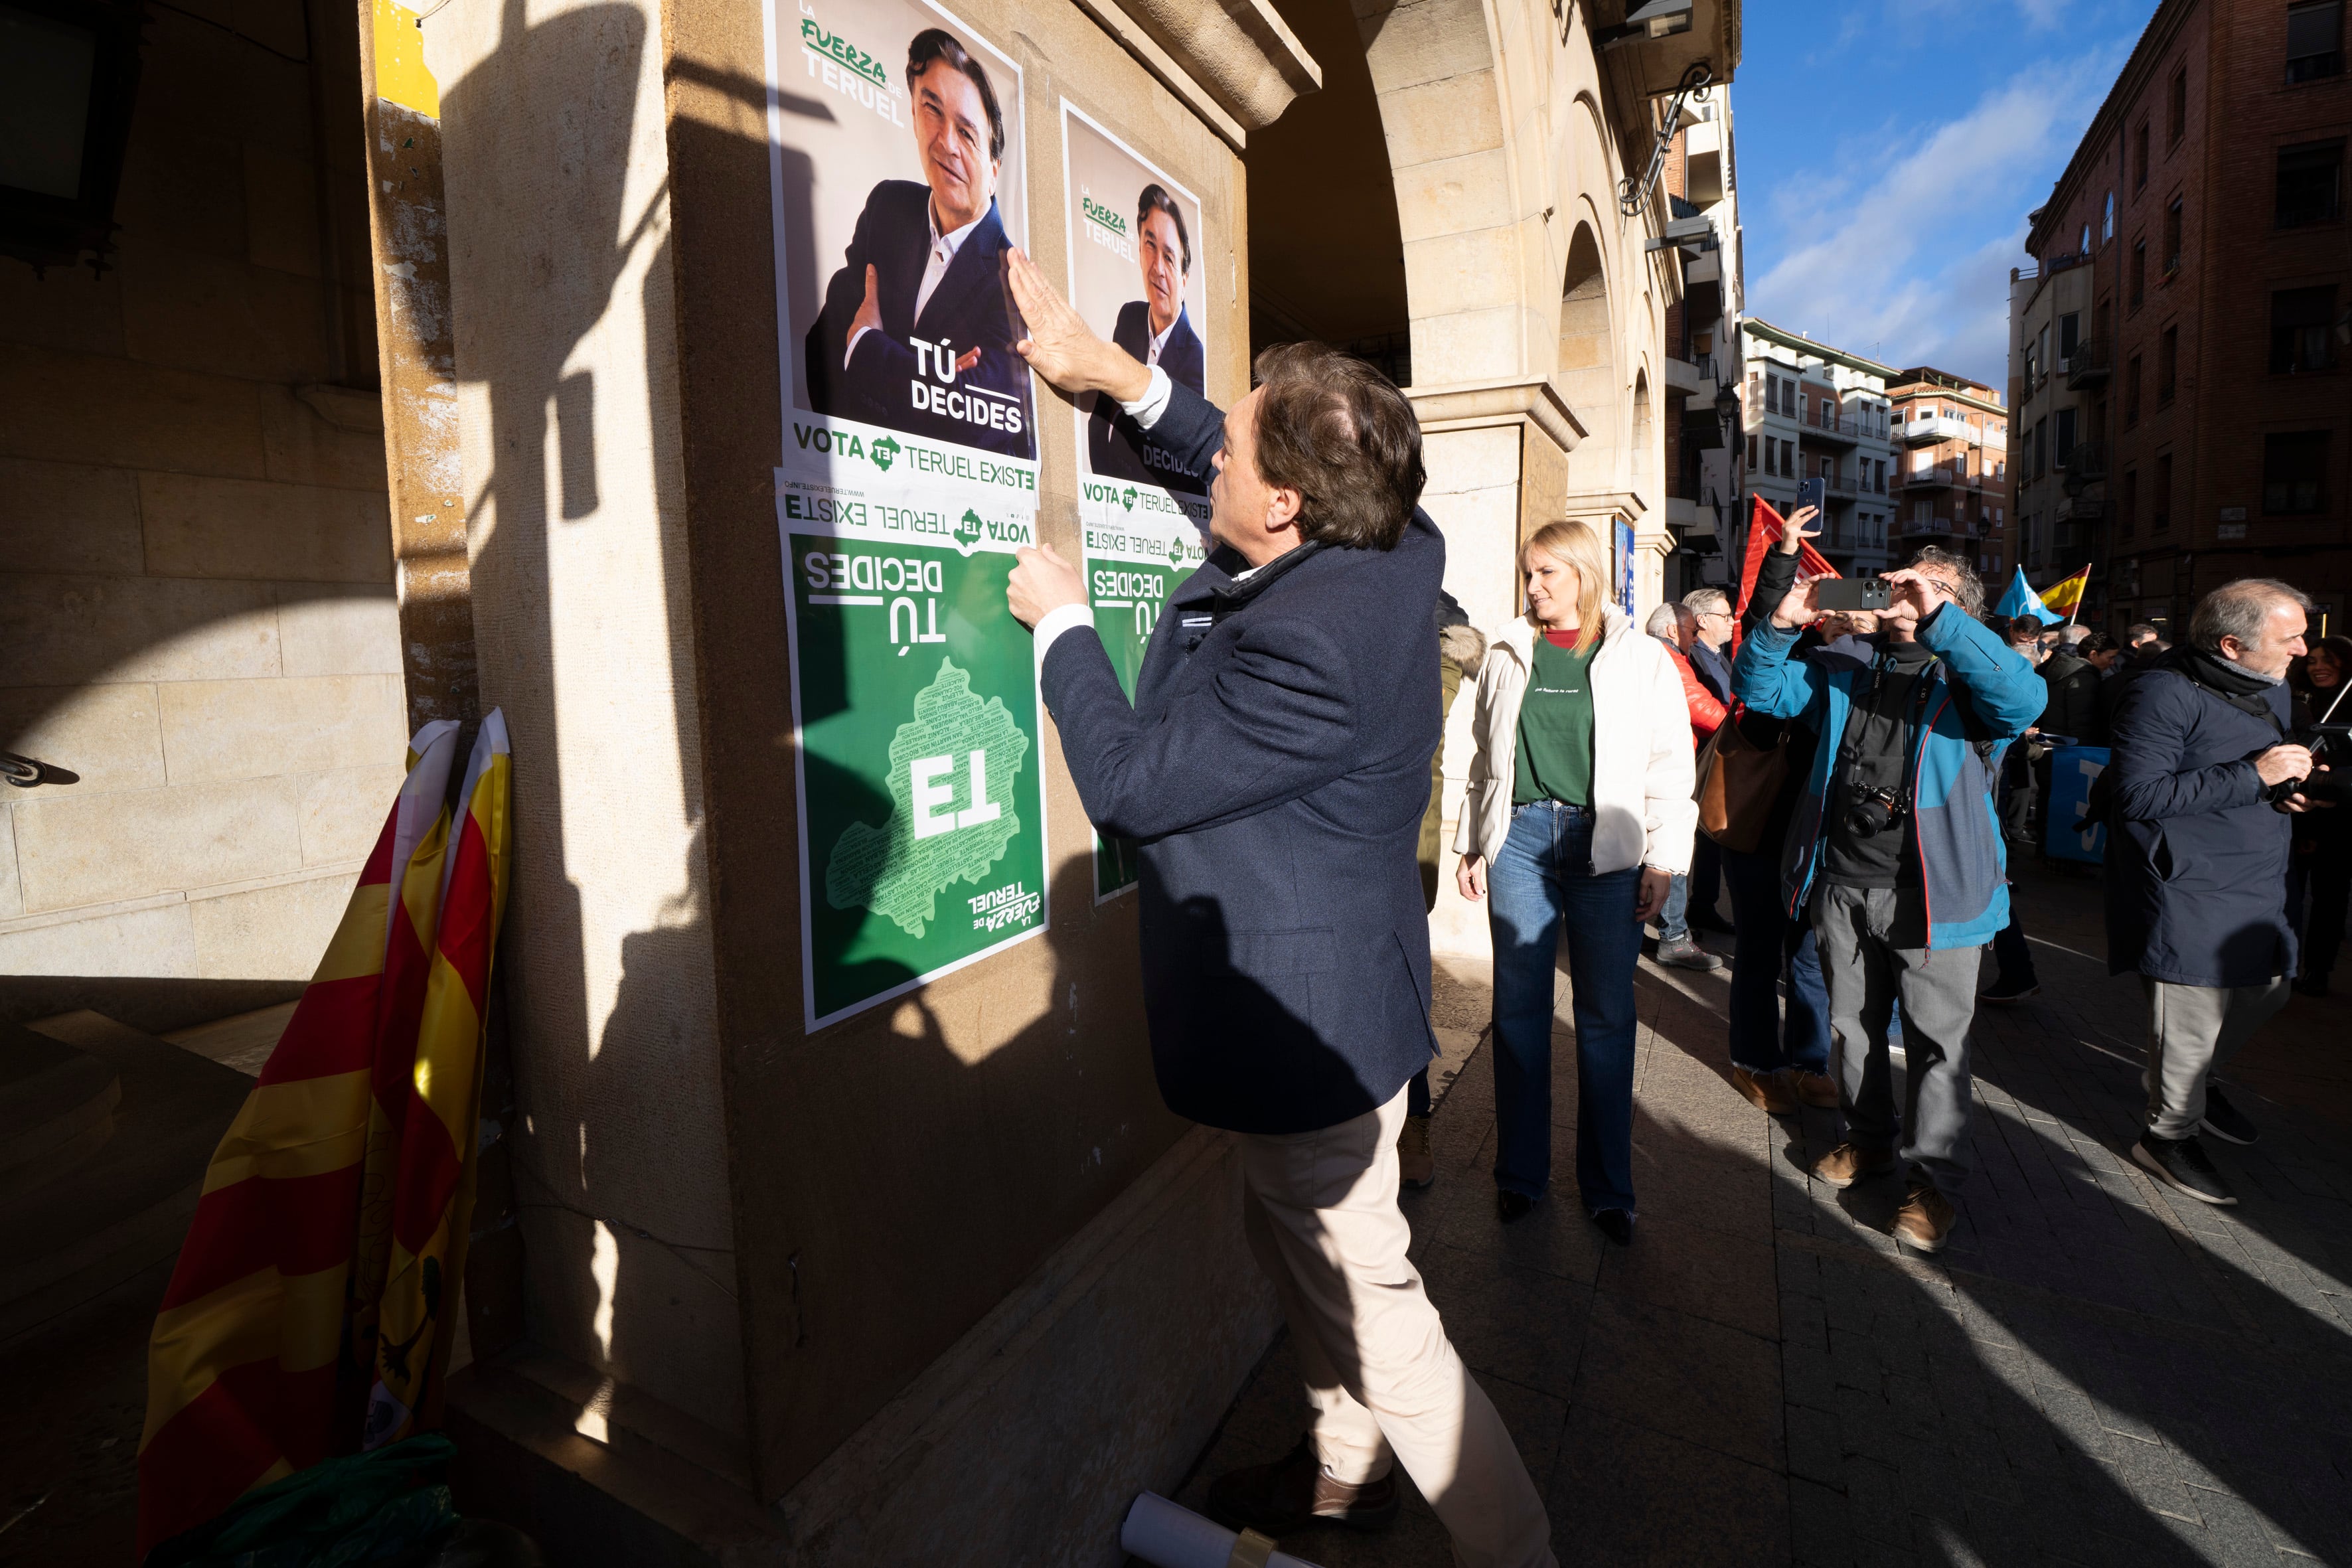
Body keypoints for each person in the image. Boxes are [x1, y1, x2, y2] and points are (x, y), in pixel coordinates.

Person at [998, 252, 1554, 1565]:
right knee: (1295, 1245)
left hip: (1310, 1035)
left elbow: (1131, 779)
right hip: (1330, 1010)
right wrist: (1116, 372)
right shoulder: (1393, 538)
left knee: (1379, 1309)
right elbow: (1226, 440)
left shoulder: (1306, 646)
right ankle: (1341, 1477)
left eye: (1236, 452)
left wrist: (1059, 624)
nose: (1212, 462)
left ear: (1289, 505)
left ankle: (1514, 1546)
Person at [1734, 549, 2045, 1253]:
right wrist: (1783, 623)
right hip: (1842, 878)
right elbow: (1761, 689)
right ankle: (1868, 1141)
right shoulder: (1846, 664)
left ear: (1955, 605)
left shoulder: (1968, 676)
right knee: (1853, 1027)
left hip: (1938, 895)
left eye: (1924, 583)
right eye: (1897, 577)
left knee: (1939, 1045)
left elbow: (2025, 701)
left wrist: (1939, 620)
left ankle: (1934, 1182)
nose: (1900, 588)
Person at [1454, 522, 1695, 1243]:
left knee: (1605, 1018)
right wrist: (1473, 840)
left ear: (1585, 575)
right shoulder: (1507, 649)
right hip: (1521, 841)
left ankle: (1608, 1188)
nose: (1531, 587)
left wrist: (1662, 860)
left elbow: (1667, 763)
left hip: (1605, 849)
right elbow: (1480, 755)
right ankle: (1521, 1176)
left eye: (1546, 573)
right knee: (1519, 1011)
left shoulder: (1640, 658)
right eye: (1528, 573)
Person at [2106, 580, 2324, 1204]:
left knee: (2269, 988)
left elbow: (2262, 765)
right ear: (2232, 645)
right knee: (2191, 1019)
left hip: (2255, 873)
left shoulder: (2271, 681)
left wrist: (2287, 787)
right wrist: (2255, 776)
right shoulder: (2160, 692)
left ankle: (2197, 1085)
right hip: (2188, 883)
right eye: (2289, 639)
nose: (2303, 650)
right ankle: (2166, 1135)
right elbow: (2137, 798)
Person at [803, 29, 1036, 458]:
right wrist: (928, 385)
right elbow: (822, 350)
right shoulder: (887, 207)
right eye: (932, 109)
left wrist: (869, 346)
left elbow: (978, 425)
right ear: (912, 113)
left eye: (967, 133)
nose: (946, 143)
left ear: (994, 166)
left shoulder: (1015, 280)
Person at [1719, 509, 1839, 1116]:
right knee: (1761, 950)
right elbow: (1761, 619)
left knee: (1812, 954)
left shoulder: (1853, 665)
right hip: (1760, 832)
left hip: (1819, 838)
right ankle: (1755, 1061)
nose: (1832, 610)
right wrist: (1786, 553)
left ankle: (1809, 1060)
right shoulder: (1775, 654)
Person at [1398, 595, 1488, 1188]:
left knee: (1400, 987)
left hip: (1399, 846)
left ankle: (1413, 1121)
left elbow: (1413, 752)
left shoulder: (1430, 626)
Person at [1086, 183, 1208, 489]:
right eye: (1150, 245)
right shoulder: (1129, 318)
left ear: (1184, 277)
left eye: (1169, 257)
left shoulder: (1196, 358)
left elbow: (1182, 463)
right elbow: (1100, 419)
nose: (1157, 269)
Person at [1644, 602, 1727, 972]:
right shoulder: (1668, 659)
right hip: (1666, 773)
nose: (1695, 638)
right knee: (1670, 853)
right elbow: (1708, 713)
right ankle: (1675, 939)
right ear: (1671, 631)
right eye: (1692, 631)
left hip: (1651, 770)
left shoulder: (1645, 654)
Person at [2286, 633, 2352, 996]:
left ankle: (2319, 969)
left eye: (2328, 660)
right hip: (2300, 812)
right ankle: (2284, 962)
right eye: (2312, 661)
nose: (2318, 667)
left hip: (2339, 817)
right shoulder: (2299, 701)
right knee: (2288, 891)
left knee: (2330, 897)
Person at [1680, 588, 1738, 935]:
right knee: (1699, 838)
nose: (1732, 621)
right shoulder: (1696, 658)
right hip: (1702, 759)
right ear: (1703, 620)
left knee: (1710, 840)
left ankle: (1703, 904)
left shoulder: (1716, 654)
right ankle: (1686, 913)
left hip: (1719, 756)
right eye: (1725, 615)